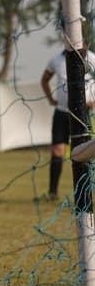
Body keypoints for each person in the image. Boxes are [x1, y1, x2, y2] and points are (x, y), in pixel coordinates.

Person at [39, 46, 95, 200]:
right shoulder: (56, 60)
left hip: (83, 114)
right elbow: (44, 79)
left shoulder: (91, 58)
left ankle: (85, 194)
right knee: (58, 151)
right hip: (62, 113)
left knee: (86, 153)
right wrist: (51, 99)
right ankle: (52, 193)